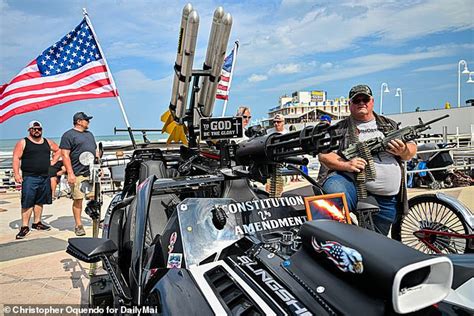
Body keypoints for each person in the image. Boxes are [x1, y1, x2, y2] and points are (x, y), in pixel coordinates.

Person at [318, 84, 417, 236]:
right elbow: (324, 155)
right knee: (333, 192)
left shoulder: (389, 124)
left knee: (377, 241)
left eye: (365, 99)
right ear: (349, 104)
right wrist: (346, 164)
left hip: (387, 198)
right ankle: (339, 236)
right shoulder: (339, 129)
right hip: (353, 185)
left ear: (372, 102)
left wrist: (403, 150)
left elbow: (411, 149)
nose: (361, 103)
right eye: (356, 100)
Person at [12, 121, 60, 239]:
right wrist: (16, 173)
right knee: (28, 201)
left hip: (44, 176)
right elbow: (16, 158)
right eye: (34, 129)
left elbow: (58, 150)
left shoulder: (47, 142)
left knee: (40, 201)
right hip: (29, 177)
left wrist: (53, 161)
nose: (37, 131)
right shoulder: (23, 142)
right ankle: (24, 226)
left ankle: (37, 223)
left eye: (39, 129)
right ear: (30, 130)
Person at [60, 112, 97, 236]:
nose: (88, 122)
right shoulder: (68, 135)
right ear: (79, 121)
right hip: (77, 173)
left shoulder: (90, 134)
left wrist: (99, 167)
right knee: (78, 199)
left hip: (92, 172)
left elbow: (95, 152)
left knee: (95, 198)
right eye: (86, 120)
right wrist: (70, 173)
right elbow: (64, 155)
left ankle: (95, 219)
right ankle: (78, 225)